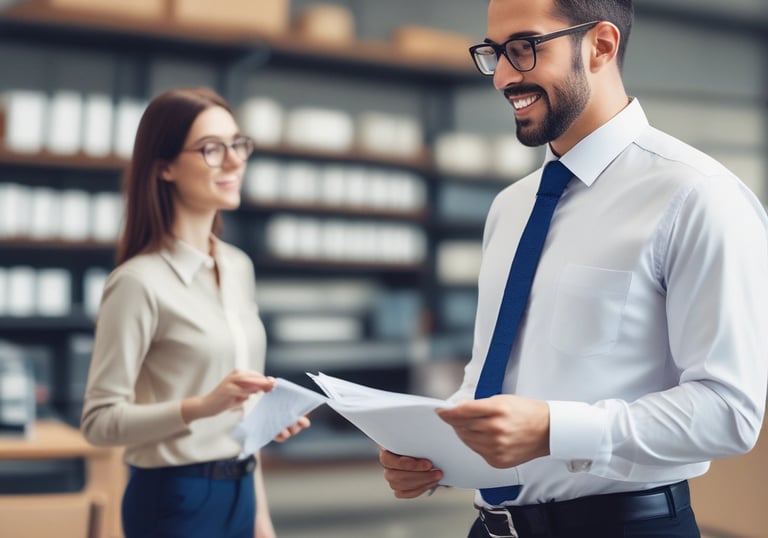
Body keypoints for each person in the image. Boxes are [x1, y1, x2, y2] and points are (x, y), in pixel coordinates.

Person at [379, 1, 768, 537]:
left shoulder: (699, 196)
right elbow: (491, 378)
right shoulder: (510, 207)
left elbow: (730, 413)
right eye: (494, 53)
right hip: (491, 527)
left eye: (524, 48)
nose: (504, 77)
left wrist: (555, 429)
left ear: (601, 46)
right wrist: (434, 452)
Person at [81, 86, 309, 538]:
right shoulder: (137, 282)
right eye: (211, 149)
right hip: (174, 499)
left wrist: (261, 519)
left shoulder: (238, 267)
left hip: (241, 491)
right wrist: (202, 407)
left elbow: (243, 417)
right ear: (164, 167)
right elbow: (99, 423)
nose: (234, 161)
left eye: (238, 145)